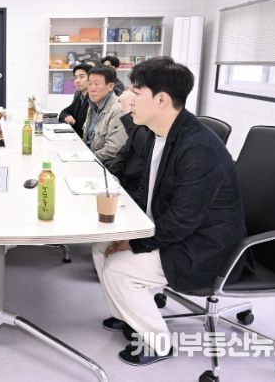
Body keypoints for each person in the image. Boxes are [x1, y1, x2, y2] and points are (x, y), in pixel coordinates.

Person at [92, 57, 246, 366]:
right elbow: (146, 187)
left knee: (118, 269)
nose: (127, 98)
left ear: (161, 100)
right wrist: (127, 231)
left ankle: (158, 343)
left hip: (204, 247)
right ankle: (129, 316)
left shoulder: (198, 147)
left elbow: (183, 221)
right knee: (101, 243)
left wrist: (134, 242)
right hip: (175, 230)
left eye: (136, 92)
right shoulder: (158, 132)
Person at [107, 86, 153, 198]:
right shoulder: (140, 122)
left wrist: (128, 112)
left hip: (136, 195)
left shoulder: (156, 125)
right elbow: (123, 153)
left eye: (135, 93)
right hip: (123, 187)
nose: (127, 96)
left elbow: (146, 149)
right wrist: (107, 178)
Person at [82, 66, 127, 165]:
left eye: (97, 84)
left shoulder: (118, 110)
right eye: (89, 84)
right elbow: (87, 139)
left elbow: (112, 150)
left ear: (110, 86)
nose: (92, 89)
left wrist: (85, 158)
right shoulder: (93, 104)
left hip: (102, 165)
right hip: (90, 158)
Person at [58, 63, 91, 135]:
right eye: (75, 78)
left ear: (91, 79)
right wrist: (67, 117)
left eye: (81, 77)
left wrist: (73, 123)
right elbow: (65, 111)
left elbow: (84, 128)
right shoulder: (79, 95)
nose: (77, 81)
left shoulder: (93, 98)